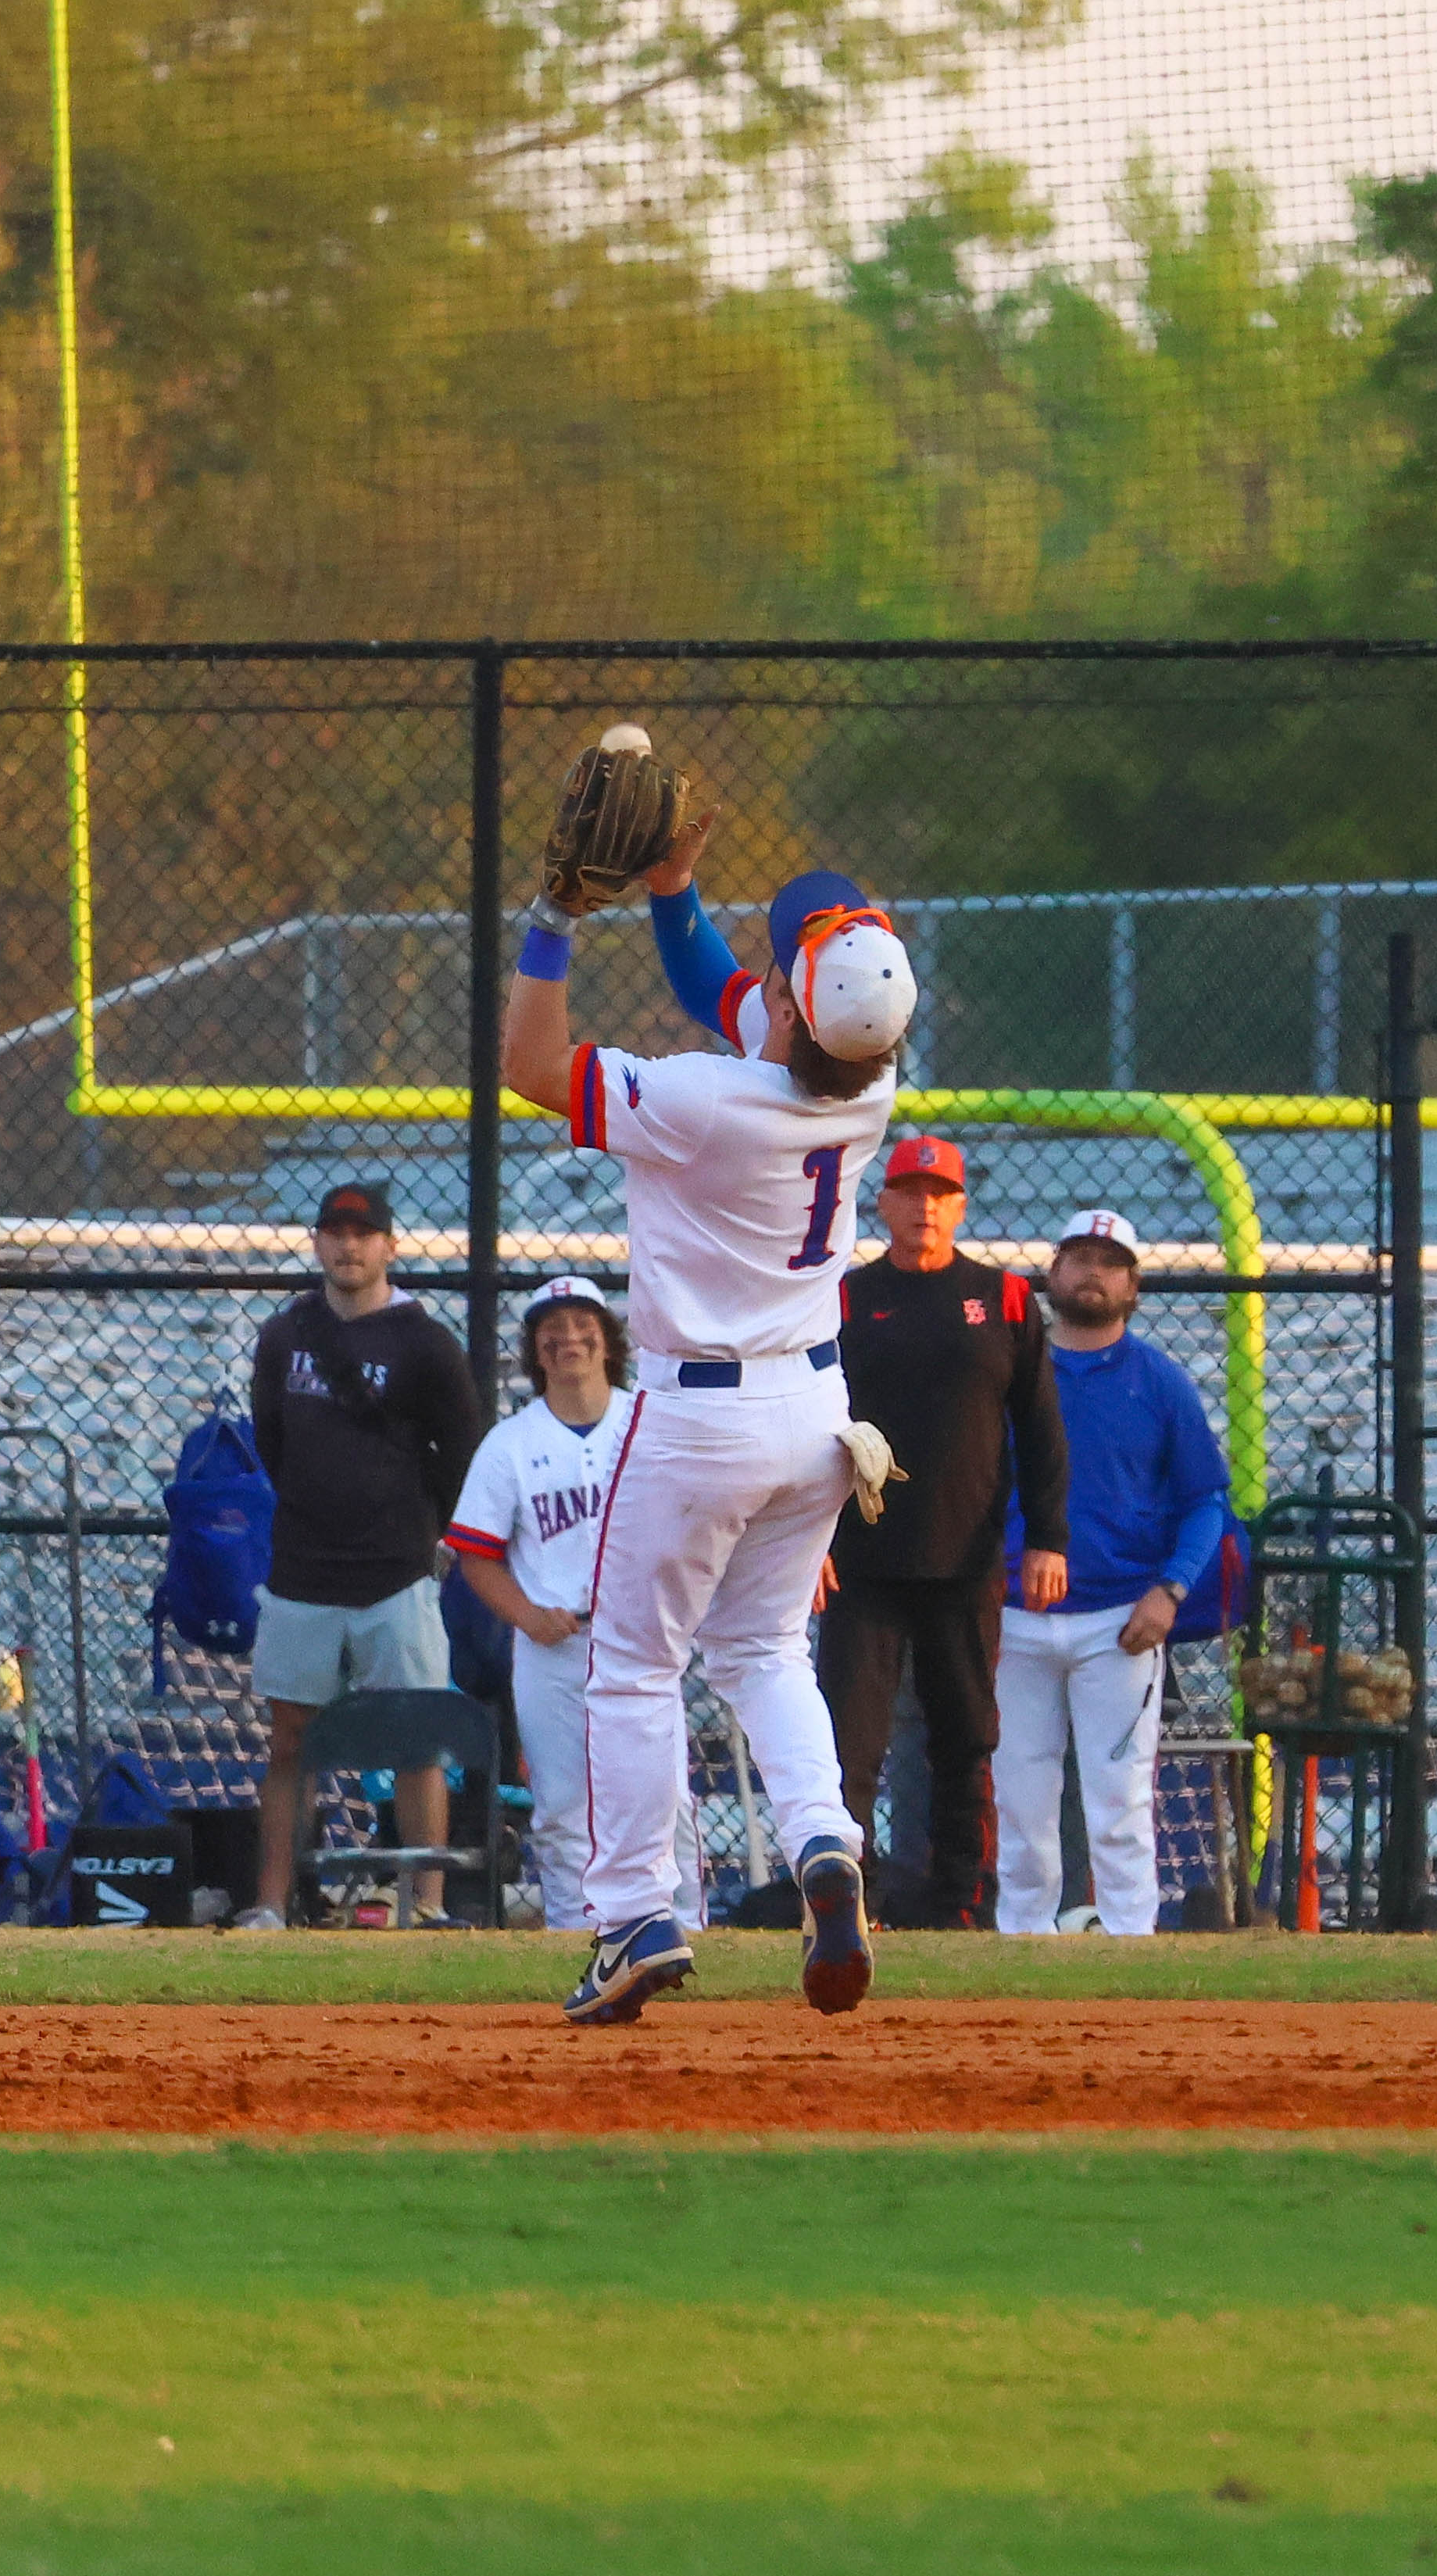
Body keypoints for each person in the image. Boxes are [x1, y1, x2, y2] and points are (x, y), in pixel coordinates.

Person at [502, 775, 917, 2024]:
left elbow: (529, 1062)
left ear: (793, 1000)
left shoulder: (700, 1100)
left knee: (631, 1668)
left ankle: (631, 1916)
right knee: (765, 1650)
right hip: (818, 1418)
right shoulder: (871, 1081)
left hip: (698, 1415)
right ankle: (824, 1845)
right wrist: (672, 891)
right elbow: (730, 992)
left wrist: (554, 914)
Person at [817, 1135, 1067, 1926]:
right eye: (909, 1191)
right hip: (863, 1559)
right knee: (848, 1746)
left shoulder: (1006, 1300)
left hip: (965, 1557)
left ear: (960, 1205)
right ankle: (848, 1900)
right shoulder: (846, 1300)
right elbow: (805, 1423)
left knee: (966, 1736)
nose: (924, 1207)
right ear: (883, 1202)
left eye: (941, 1193)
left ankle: (961, 1899)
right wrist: (809, 1545)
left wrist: (1048, 1538)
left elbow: (1041, 1427)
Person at [238, 1182, 487, 1929]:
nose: (348, 1246)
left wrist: (417, 1530)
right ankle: (272, 1905)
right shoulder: (286, 1335)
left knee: (416, 1741)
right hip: (303, 1573)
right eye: (334, 1232)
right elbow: (272, 1440)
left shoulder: (425, 1343)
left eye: (363, 1233)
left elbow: (462, 1451)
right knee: (290, 1742)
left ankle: (428, 1906)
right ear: (316, 1242)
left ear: (390, 1246)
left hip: (396, 1574)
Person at [990, 1208, 1231, 1937]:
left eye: (1111, 1260)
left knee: (1120, 1801)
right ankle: (1022, 1942)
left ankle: (1131, 1945)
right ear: (1052, 1271)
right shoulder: (1010, 1371)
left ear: (1133, 1283)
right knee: (1020, 1802)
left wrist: (1171, 1589)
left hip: (1119, 1622)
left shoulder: (1158, 1381)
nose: (1093, 1272)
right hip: (1011, 1613)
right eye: (1080, 1256)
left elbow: (1204, 1500)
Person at [445, 1275, 704, 1933]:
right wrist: (527, 1614)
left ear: (606, 1337)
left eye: (581, 1323)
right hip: (552, 1644)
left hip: (641, 1639)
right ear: (534, 1348)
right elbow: (475, 1552)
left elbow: (700, 1517)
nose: (568, 1338)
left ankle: (684, 1928)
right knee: (562, 1807)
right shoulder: (511, 1443)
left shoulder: (648, 1423)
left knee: (664, 1799)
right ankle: (572, 1934)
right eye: (550, 1328)